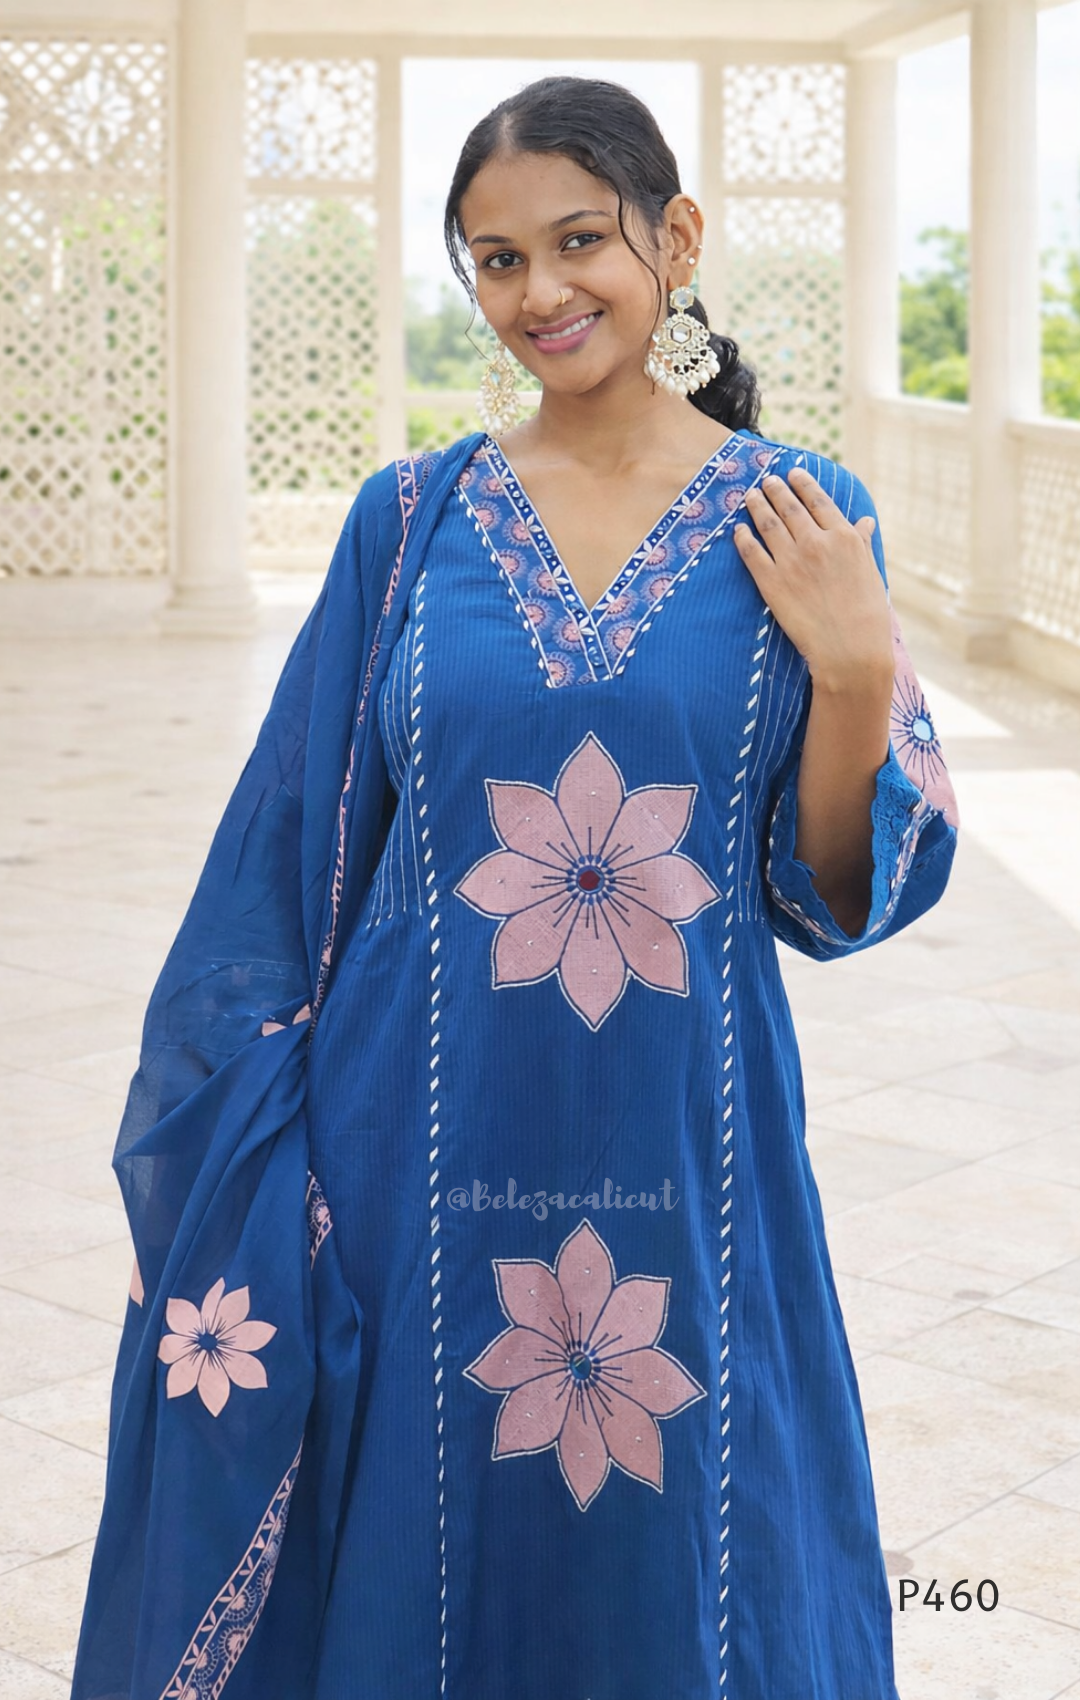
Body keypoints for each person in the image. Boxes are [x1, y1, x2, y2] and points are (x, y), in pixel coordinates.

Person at [73, 76, 958, 1700]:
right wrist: (238, 1152)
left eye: (577, 242)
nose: (539, 291)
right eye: (496, 260)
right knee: (428, 1547)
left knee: (689, 1547)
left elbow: (835, 895)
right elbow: (288, 847)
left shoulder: (807, 519)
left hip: (688, 1150)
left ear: (676, 239)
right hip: (415, 1145)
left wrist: (852, 670)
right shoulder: (410, 524)